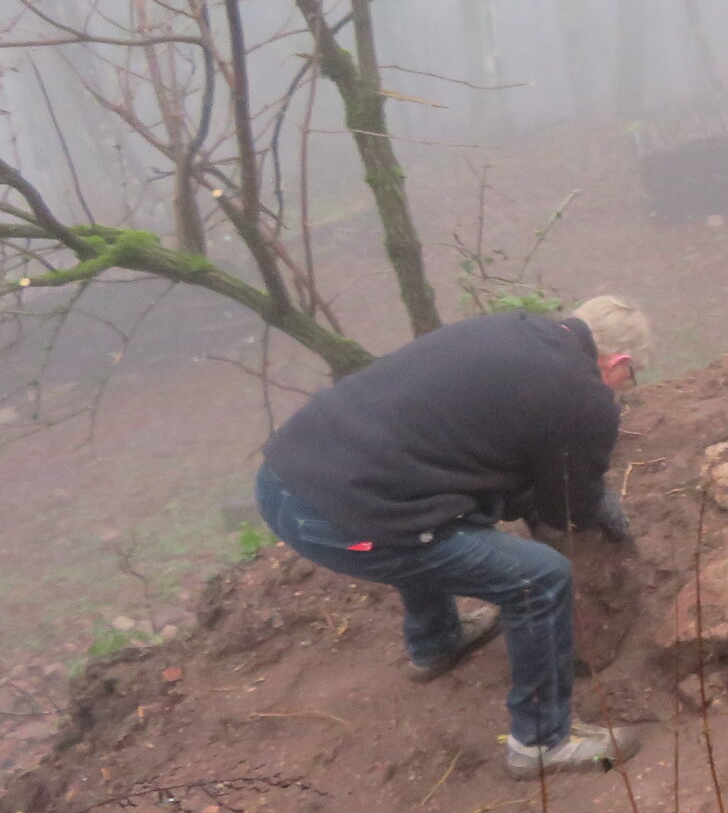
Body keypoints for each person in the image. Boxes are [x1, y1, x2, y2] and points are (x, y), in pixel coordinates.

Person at [253, 297, 651, 779]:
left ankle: (436, 643)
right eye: (630, 376)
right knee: (539, 578)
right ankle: (541, 741)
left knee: (423, 506)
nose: (625, 386)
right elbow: (566, 507)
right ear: (618, 361)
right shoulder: (584, 397)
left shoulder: (510, 329)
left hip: (285, 475)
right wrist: (597, 503)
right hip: (339, 518)